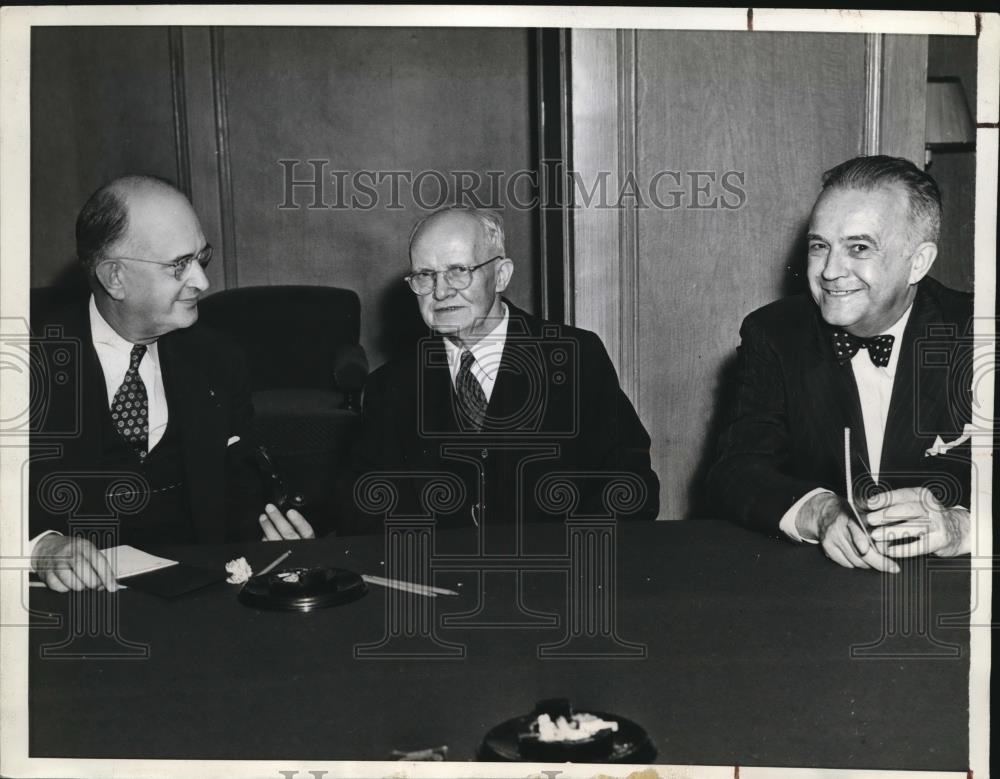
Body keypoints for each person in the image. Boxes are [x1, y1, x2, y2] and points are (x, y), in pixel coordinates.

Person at [29, 175, 313, 592]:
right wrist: (40, 548)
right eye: (179, 265)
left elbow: (242, 487)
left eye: (202, 257)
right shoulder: (24, 365)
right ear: (115, 277)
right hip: (76, 611)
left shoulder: (219, 359)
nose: (202, 281)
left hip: (197, 599)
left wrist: (272, 529)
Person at [708, 155, 974, 572]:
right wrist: (818, 511)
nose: (830, 271)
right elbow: (735, 471)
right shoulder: (774, 334)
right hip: (818, 593)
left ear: (918, 262)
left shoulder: (979, 334)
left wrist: (961, 527)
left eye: (859, 247)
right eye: (820, 246)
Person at [339, 207, 659, 536]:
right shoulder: (389, 386)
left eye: (458, 271)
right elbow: (365, 508)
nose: (440, 292)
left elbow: (630, 486)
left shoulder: (576, 358)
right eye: (425, 275)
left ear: (502, 275)